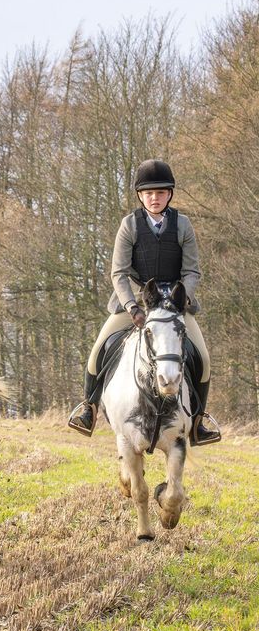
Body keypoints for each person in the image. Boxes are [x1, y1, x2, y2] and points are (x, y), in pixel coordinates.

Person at [67, 160, 219, 445]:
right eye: (149, 193)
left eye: (161, 192)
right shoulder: (130, 225)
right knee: (97, 351)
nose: (155, 198)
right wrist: (131, 307)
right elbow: (119, 272)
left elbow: (192, 271)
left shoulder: (183, 225)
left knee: (204, 359)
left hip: (174, 305)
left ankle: (199, 421)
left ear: (169, 194)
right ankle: (88, 408)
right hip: (137, 301)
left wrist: (182, 299)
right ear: (140, 195)